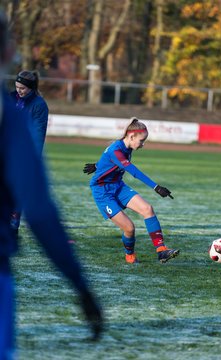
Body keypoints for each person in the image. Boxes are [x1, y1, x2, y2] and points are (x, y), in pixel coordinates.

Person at [0, 12, 103, 359]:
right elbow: (42, 213)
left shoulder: (33, 108)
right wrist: (82, 287)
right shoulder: (8, 118)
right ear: (8, 51)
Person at [83, 117, 180, 264]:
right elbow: (133, 171)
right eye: (141, 141)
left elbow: (111, 160)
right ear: (131, 136)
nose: (143, 144)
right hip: (103, 192)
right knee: (129, 228)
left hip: (118, 186)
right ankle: (130, 256)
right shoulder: (116, 149)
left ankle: (161, 251)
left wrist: (97, 166)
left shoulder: (126, 147)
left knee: (147, 209)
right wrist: (156, 187)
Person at [10, 69, 49, 234]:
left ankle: (13, 226)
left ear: (31, 88)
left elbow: (38, 135)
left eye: (23, 88)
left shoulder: (39, 105)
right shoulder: (10, 98)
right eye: (17, 86)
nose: (19, 90)